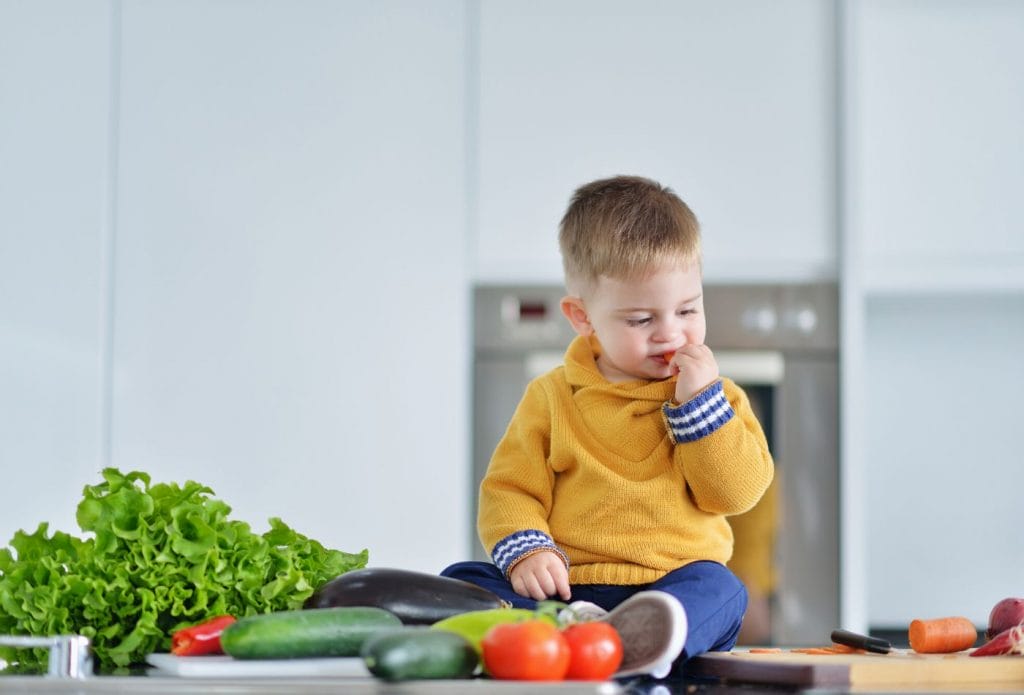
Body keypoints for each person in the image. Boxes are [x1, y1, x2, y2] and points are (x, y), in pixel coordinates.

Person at [442, 175, 774, 677]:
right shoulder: (551, 397)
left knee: (723, 590)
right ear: (583, 317)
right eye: (641, 320)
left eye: (687, 309)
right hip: (568, 588)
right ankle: (599, 640)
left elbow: (736, 493)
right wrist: (528, 550)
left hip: (672, 586)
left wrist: (698, 410)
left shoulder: (718, 398)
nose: (670, 332)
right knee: (460, 580)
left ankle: (628, 643)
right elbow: (509, 489)